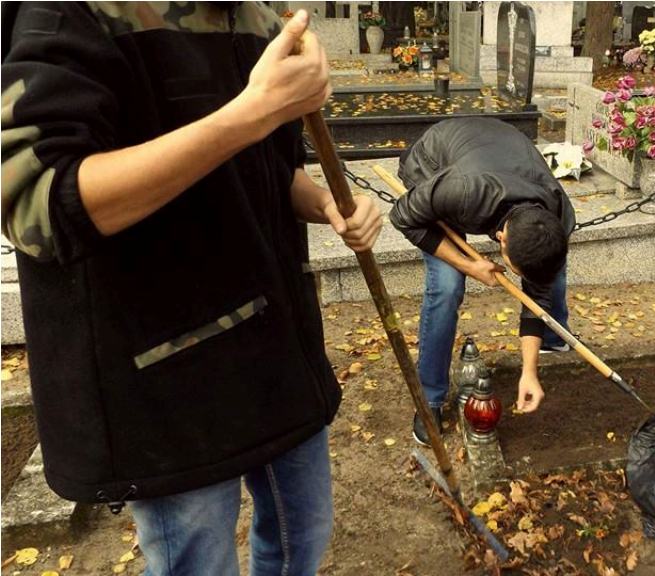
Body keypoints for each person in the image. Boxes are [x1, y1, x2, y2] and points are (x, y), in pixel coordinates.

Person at [1, 4, 382, 575]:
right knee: (198, 562)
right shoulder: (75, 12)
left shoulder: (258, 18)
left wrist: (327, 202)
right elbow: (37, 206)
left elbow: (272, 167)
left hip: (277, 349)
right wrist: (250, 114)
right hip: (168, 375)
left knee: (304, 530)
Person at [389, 117, 575, 445]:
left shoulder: (557, 214)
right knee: (447, 285)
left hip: (497, 152)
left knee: (550, 273)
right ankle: (429, 399)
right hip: (434, 162)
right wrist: (469, 265)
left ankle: (552, 337)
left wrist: (529, 372)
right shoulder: (460, 191)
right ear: (501, 238)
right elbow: (403, 216)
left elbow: (537, 292)